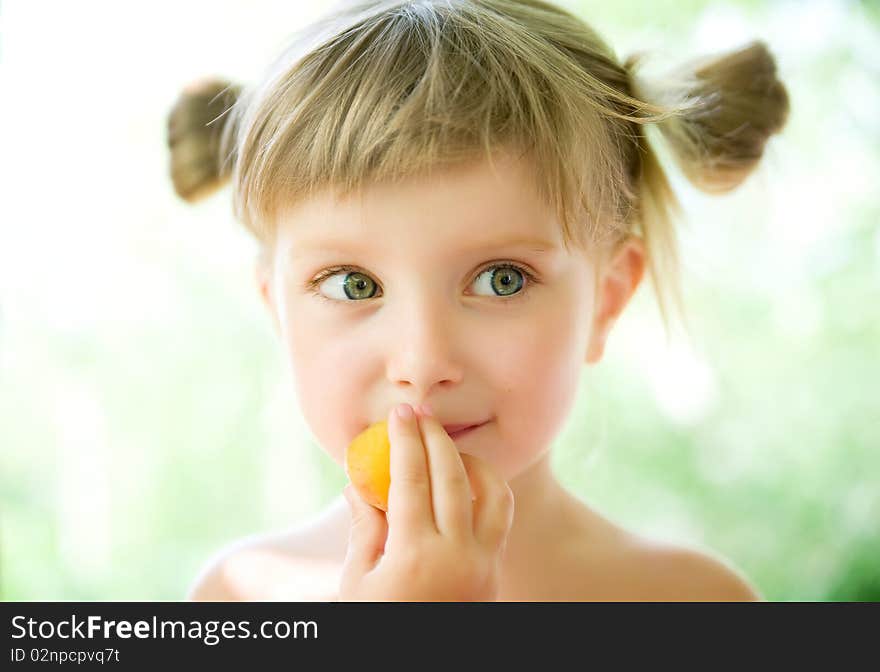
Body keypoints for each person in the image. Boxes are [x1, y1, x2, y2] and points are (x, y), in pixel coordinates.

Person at [166, 0, 789, 601]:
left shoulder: (695, 603)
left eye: (501, 279)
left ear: (606, 300)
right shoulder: (238, 597)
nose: (421, 360)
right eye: (354, 284)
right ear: (278, 309)